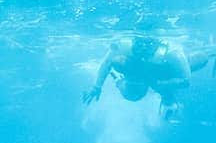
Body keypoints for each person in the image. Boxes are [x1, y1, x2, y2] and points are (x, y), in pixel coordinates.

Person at [83, 33, 214, 119]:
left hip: (162, 73)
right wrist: (96, 87)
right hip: (137, 75)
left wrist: (161, 85)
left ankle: (168, 99)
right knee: (132, 94)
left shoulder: (173, 53)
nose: (143, 50)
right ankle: (119, 80)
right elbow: (107, 63)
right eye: (140, 46)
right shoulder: (123, 47)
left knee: (202, 59)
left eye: (147, 48)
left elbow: (186, 81)